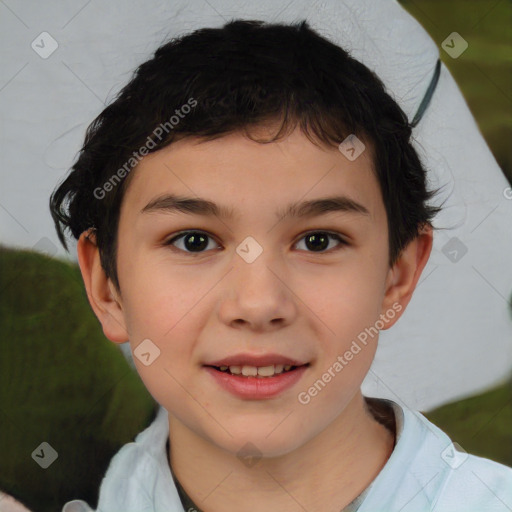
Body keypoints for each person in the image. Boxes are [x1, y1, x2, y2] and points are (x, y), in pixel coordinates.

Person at [49, 19, 512, 512]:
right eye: (194, 241)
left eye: (317, 241)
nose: (258, 304)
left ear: (397, 276)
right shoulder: (122, 486)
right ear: (105, 287)